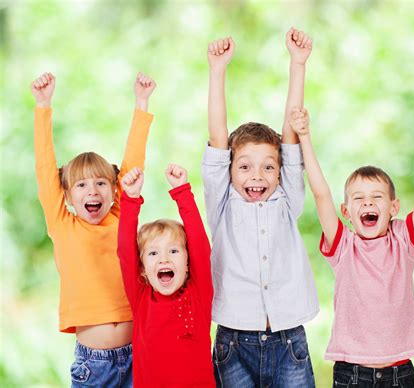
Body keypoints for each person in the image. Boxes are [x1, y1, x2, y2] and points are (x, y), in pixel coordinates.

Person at [289, 103, 414, 387]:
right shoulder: (343, 245)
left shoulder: (404, 241)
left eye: (376, 197)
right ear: (346, 211)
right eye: (358, 198)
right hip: (351, 374)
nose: (367, 202)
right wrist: (305, 137)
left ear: (394, 206)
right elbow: (321, 194)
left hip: (399, 374)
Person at [203, 28, 318, 387]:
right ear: (230, 169)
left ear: (281, 171)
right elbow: (219, 136)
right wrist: (217, 71)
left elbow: (290, 137)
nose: (257, 175)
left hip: (289, 339)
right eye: (245, 166)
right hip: (233, 341)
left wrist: (297, 65)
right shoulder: (223, 202)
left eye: (268, 166)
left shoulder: (287, 198)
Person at [32, 71, 155, 386]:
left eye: (101, 183)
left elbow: (132, 169)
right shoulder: (63, 225)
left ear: (113, 189)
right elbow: (46, 170)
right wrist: (43, 107)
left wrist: (141, 105)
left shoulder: (120, 217)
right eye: (82, 185)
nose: (93, 191)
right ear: (68, 195)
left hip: (139, 356)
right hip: (94, 365)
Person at [117, 165, 215, 387]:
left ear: (188, 264)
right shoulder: (141, 298)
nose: (164, 259)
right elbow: (125, 252)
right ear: (142, 268)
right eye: (153, 253)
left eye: (173, 251)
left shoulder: (199, 294)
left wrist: (182, 192)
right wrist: (131, 199)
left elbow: (199, 244)